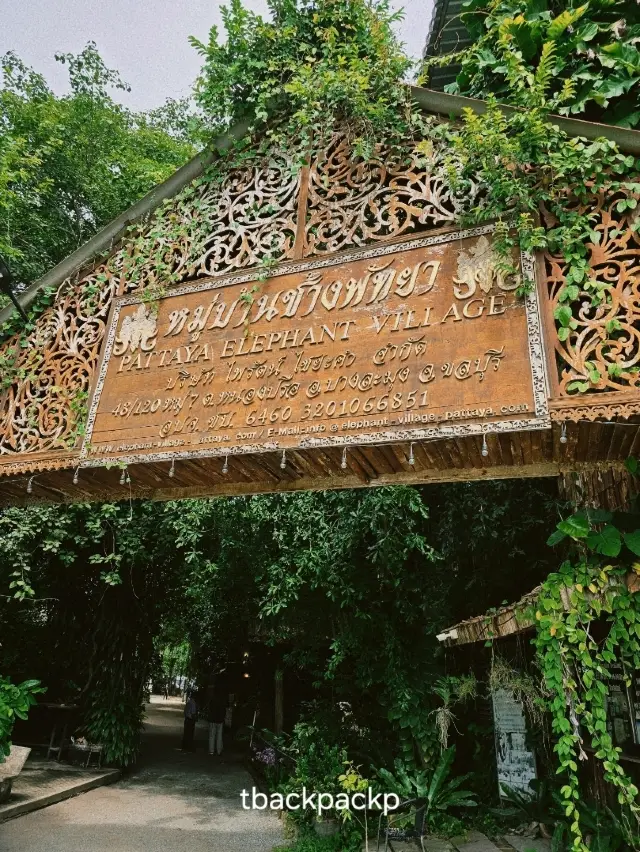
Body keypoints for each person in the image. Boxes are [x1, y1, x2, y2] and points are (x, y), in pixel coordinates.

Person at [207, 686, 227, 756]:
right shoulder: (223, 700)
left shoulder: (212, 700)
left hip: (212, 719)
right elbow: (224, 711)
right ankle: (219, 750)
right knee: (219, 736)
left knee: (212, 735)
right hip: (220, 720)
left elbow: (210, 709)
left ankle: (211, 750)